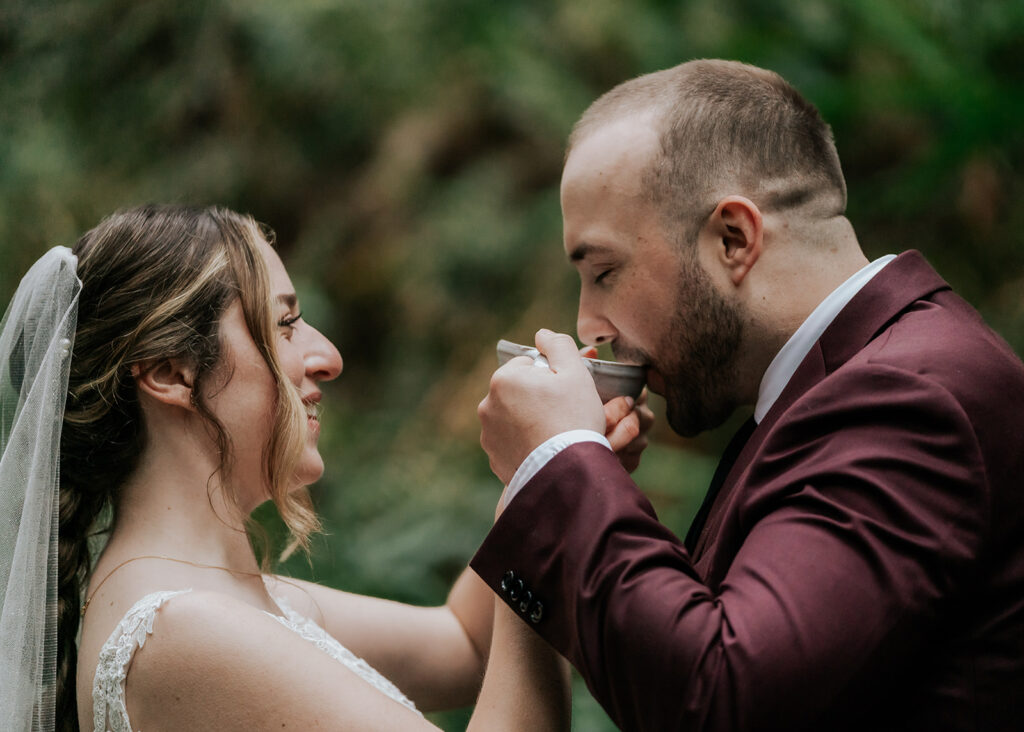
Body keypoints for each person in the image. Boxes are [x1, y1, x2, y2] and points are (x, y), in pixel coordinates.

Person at [472, 59, 1024, 731]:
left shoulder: (908, 398)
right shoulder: (836, 386)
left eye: (605, 271)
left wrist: (559, 464)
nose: (589, 324)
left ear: (734, 238)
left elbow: (723, 699)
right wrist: (570, 473)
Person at [0, 204, 630, 731]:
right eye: (285, 324)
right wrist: (552, 490)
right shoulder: (183, 628)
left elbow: (468, 643)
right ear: (170, 373)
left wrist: (571, 461)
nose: (327, 356)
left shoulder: (229, 604)